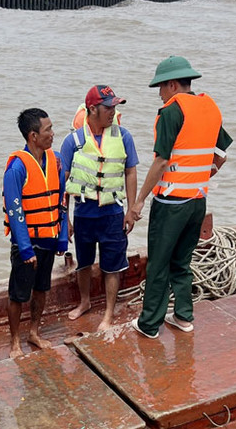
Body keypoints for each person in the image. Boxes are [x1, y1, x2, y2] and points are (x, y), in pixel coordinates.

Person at [129, 56, 233, 339]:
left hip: (171, 202)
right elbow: (221, 155)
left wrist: (138, 201)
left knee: (159, 263)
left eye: (161, 88)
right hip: (198, 200)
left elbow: (161, 161)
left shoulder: (171, 112)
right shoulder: (209, 108)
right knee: (182, 262)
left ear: (172, 85)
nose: (160, 95)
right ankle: (184, 317)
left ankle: (149, 324)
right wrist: (200, 176)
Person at [61, 85, 139, 331]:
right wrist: (65, 219)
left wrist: (131, 209)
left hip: (113, 213)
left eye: (115, 107)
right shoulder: (73, 141)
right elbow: (62, 181)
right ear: (92, 109)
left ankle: (108, 313)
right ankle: (84, 302)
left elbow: (131, 172)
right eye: (108, 107)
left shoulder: (123, 136)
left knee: (112, 265)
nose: (112, 112)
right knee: (83, 262)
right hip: (83, 212)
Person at [3, 108, 69, 358]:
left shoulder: (57, 160)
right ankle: (14, 342)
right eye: (48, 129)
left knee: (42, 289)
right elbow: (15, 209)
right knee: (18, 294)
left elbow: (62, 201)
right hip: (26, 243)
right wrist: (25, 247)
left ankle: (34, 331)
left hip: (49, 239)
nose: (52, 133)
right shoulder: (17, 168)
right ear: (33, 136)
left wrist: (62, 237)